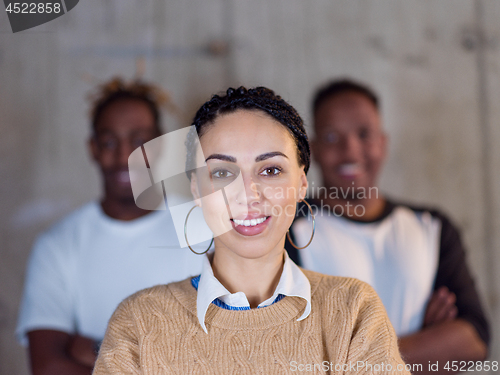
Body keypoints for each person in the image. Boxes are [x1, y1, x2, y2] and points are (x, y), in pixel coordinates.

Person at [92, 86, 411, 374]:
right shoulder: (139, 321)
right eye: (221, 172)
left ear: (301, 183)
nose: (248, 193)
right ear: (195, 189)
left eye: (270, 170)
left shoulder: (353, 310)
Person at [289, 79, 489, 374]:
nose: (350, 150)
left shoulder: (432, 226)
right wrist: (427, 346)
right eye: (332, 137)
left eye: (364, 134)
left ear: (383, 142)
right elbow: (289, 356)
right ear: (313, 150)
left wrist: (345, 358)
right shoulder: (286, 229)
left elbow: (473, 343)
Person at [16, 78, 205, 375]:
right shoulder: (57, 245)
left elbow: (217, 353)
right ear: (92, 148)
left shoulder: (202, 228)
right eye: (109, 142)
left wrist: (99, 348)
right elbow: (49, 367)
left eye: (139, 142)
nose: (123, 157)